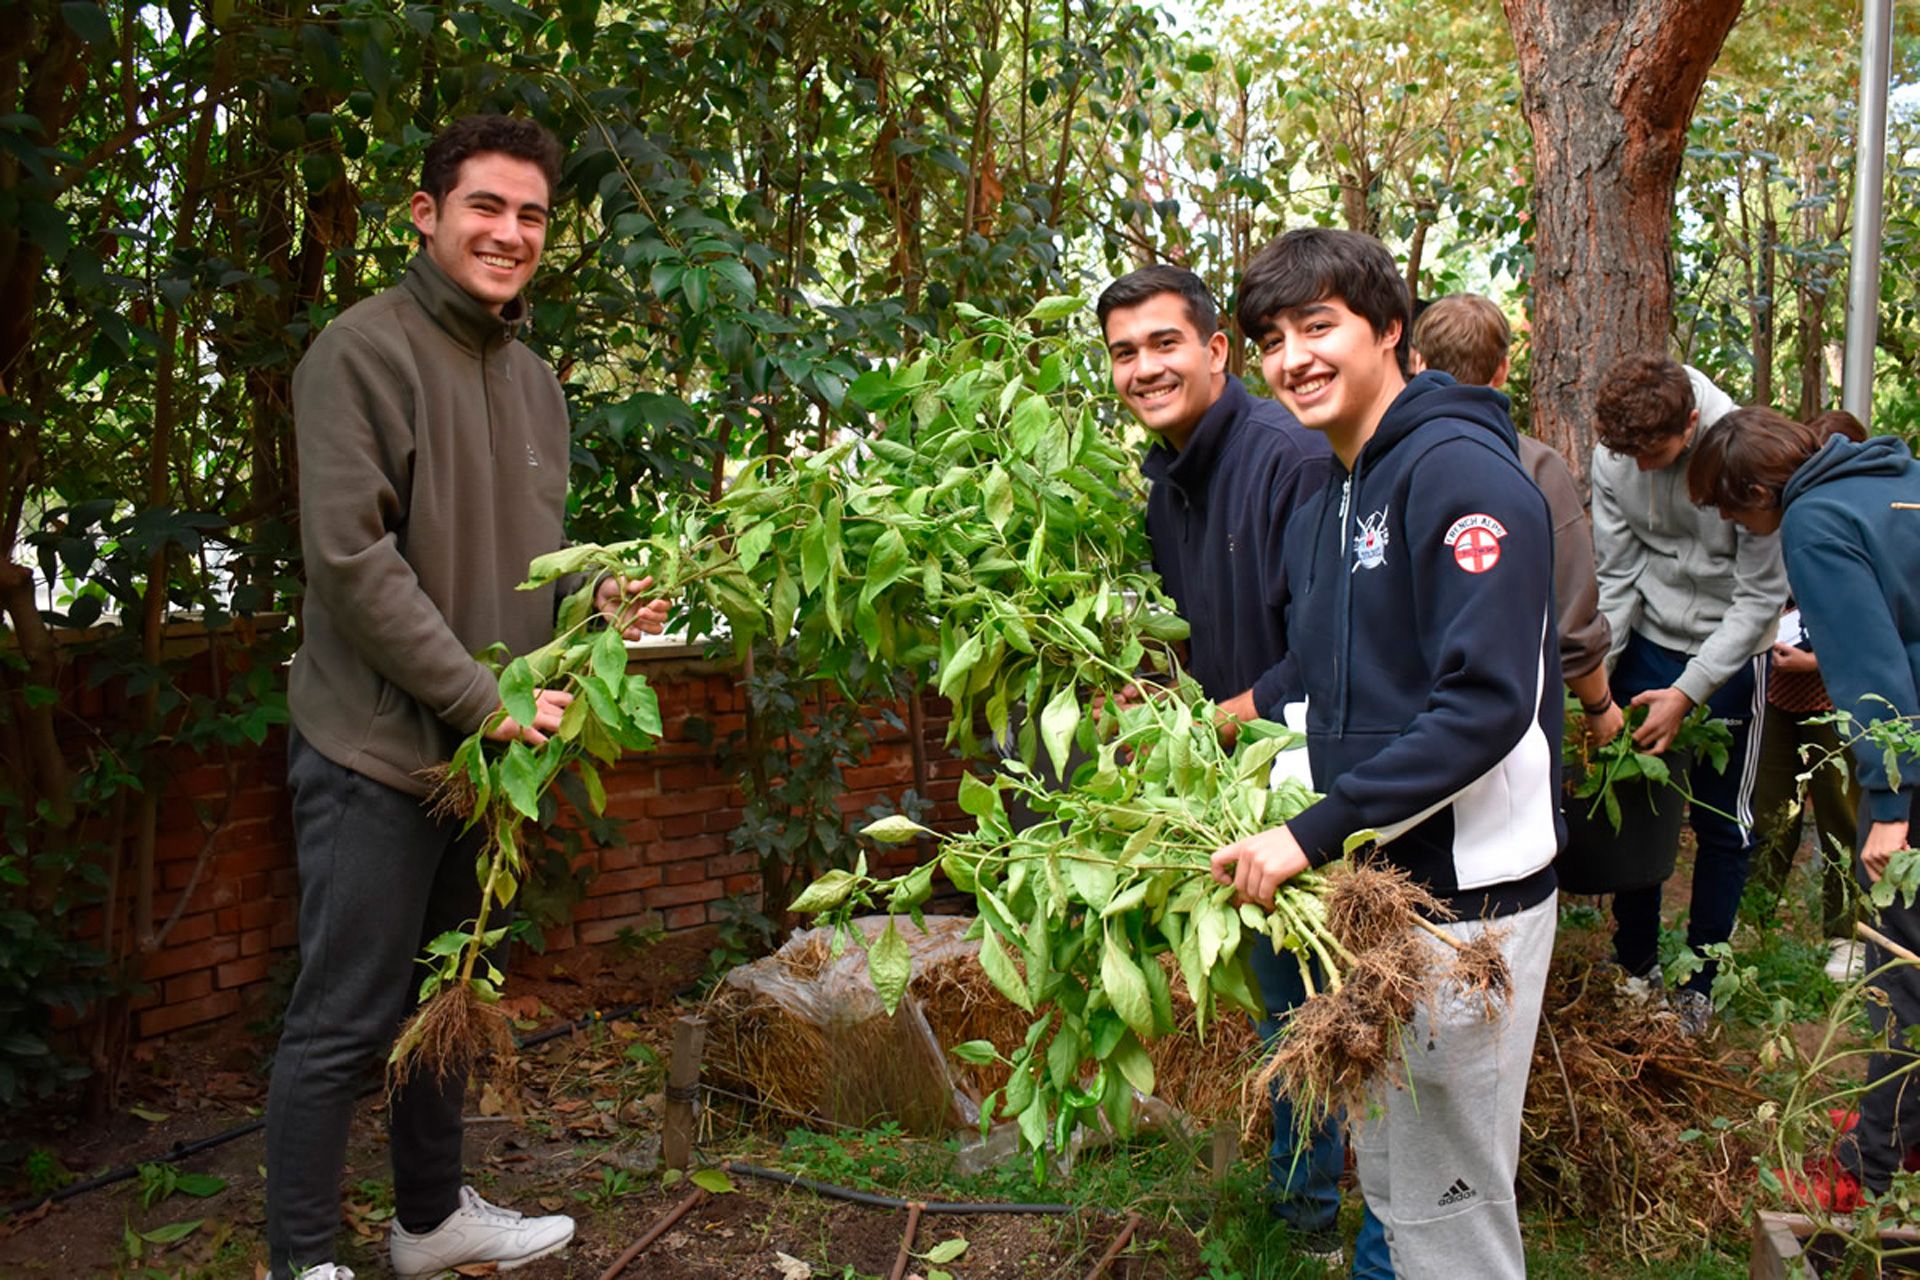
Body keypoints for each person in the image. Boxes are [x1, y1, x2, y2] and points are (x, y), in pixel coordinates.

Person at [267, 116, 666, 1280]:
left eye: (532, 215)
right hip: (379, 749)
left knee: (449, 991)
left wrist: (596, 596)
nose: (509, 232)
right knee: (346, 1014)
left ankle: (428, 1220)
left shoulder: (536, 381)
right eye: (486, 206)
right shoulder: (358, 353)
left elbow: (517, 560)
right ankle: (302, 1259)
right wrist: (481, 696)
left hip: (490, 751)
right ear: (425, 213)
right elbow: (353, 564)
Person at [1213, 227, 1561, 1280]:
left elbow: (1483, 704)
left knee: (1452, 1211)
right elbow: (1329, 678)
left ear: (1392, 330)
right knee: (1406, 1191)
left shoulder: (1459, 474)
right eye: (1272, 338)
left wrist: (1308, 832)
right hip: (1381, 891)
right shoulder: (1333, 490)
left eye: (1318, 325)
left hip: (1467, 912)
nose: (1292, 358)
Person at [1095, 267, 1385, 1268]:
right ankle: (1305, 1204)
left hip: (1306, 767)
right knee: (1286, 997)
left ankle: (1337, 1215)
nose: (1144, 367)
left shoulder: (1287, 458)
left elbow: (1331, 636)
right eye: (1125, 351)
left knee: (1317, 996)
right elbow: (1196, 624)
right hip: (1236, 772)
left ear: (1218, 351)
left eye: (1165, 342)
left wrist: (1228, 712)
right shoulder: (1162, 475)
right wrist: (1160, 693)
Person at [1687, 406, 1920, 1200]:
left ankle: (1873, 1174)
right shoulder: (1897, 482)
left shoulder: (1815, 520)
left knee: (1905, 969)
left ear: (1759, 488)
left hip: (1913, 761)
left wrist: (1889, 805)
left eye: (1731, 507)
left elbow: (1868, 663)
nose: (1734, 524)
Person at [1591, 353, 1788, 1032]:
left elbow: (1760, 598)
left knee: (1719, 824)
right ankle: (1634, 964)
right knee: (1639, 806)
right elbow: (1615, 576)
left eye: (1657, 454)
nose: (1642, 469)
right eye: (1628, 455)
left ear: (1693, 423)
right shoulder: (1617, 453)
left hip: (1731, 653)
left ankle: (1700, 980)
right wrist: (1595, 683)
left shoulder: (1744, 450)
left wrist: (1692, 688)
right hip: (1647, 640)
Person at [1411, 294, 1623, 746]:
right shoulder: (1538, 468)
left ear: (1416, 361)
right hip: (1510, 717)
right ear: (1503, 369)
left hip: (1404, 722)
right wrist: (1599, 705)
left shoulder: (1380, 461)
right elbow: (1571, 614)